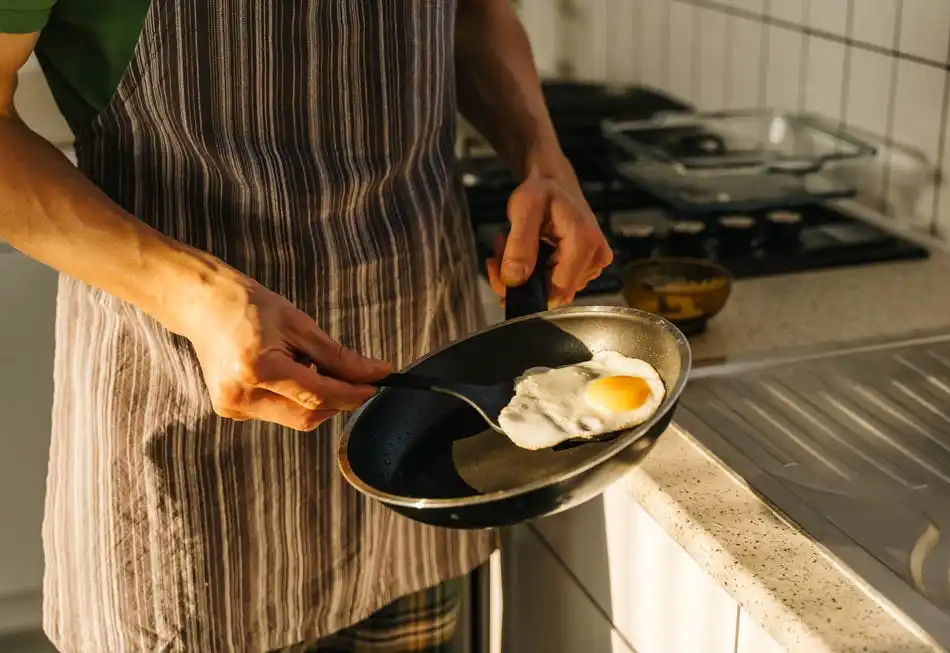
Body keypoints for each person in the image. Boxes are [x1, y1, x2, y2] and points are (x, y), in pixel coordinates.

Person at [0, 0, 613, 651]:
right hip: (189, 459)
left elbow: (473, 15)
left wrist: (545, 160)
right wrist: (197, 294)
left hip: (417, 444)